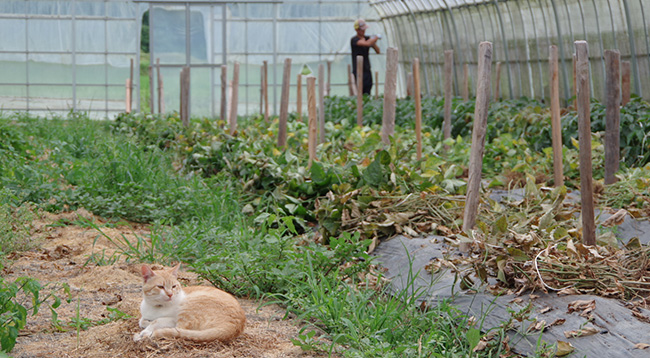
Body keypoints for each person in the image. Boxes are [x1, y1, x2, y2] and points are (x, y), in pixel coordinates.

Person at [351, 19, 380, 95]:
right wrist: (375, 38)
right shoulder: (354, 40)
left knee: (368, 89)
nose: (363, 31)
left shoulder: (368, 39)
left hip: (367, 69)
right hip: (358, 70)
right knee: (359, 91)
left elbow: (378, 51)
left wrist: (373, 42)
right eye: (361, 30)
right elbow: (366, 44)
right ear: (357, 30)